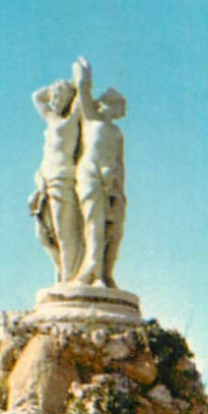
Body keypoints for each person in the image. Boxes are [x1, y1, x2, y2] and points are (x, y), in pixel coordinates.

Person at [73, 58, 127, 289]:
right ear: (106, 104)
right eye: (118, 106)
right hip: (91, 175)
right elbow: (83, 91)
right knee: (94, 223)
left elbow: (120, 162)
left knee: (114, 230)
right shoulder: (91, 119)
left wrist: (119, 190)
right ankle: (91, 270)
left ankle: (105, 272)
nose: (121, 111)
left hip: (112, 182)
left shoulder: (116, 132)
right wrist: (84, 74)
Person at [31, 74, 84, 284]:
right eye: (53, 97)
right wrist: (54, 88)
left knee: (65, 233)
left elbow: (83, 92)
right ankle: (63, 269)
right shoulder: (51, 119)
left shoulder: (73, 119)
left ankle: (70, 279)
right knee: (43, 233)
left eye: (58, 97)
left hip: (63, 178)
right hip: (45, 181)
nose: (53, 101)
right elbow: (36, 96)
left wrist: (76, 81)